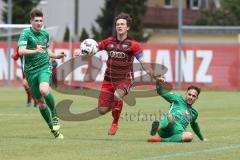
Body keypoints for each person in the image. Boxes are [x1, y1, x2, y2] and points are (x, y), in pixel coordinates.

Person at [76, 12, 162, 135]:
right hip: (108, 79)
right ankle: (115, 104)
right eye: (117, 24)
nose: (119, 26)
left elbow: (143, 62)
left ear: (128, 27)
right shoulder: (108, 42)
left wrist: (153, 75)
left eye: (122, 24)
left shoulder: (133, 45)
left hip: (125, 79)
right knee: (101, 110)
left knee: (117, 95)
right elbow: (94, 48)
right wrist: (83, 53)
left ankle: (115, 122)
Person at [18, 9, 65, 139]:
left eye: (41, 21)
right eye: (36, 21)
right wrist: (35, 51)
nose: (39, 23)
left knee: (44, 90)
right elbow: (21, 51)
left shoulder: (45, 34)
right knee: (41, 103)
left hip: (44, 67)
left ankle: (55, 116)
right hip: (30, 71)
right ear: (31, 22)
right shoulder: (25, 34)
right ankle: (53, 130)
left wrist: (55, 55)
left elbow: (46, 51)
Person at [148, 77, 206, 142]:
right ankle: (158, 127)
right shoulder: (177, 99)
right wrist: (158, 82)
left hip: (177, 133)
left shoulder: (194, 112)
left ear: (196, 98)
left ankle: (158, 139)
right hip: (165, 128)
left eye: (193, 96)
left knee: (189, 136)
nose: (191, 97)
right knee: (171, 119)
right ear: (186, 94)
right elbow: (160, 91)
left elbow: (194, 125)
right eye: (189, 94)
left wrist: (202, 138)